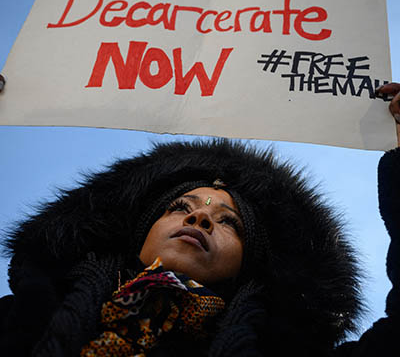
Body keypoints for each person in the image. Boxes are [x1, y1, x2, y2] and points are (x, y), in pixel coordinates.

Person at [0, 84, 399, 356]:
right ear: (140, 232)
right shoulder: (18, 320)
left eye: (229, 222)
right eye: (179, 207)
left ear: (249, 262)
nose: (200, 216)